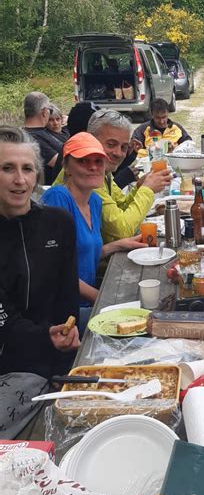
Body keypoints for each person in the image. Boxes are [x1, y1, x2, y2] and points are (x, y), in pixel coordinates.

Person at [0, 126, 80, 437]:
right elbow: (4, 320)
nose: (19, 180)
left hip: (52, 355)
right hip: (12, 363)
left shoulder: (57, 223)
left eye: (27, 169)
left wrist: (66, 357)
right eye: (7, 169)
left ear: (37, 175)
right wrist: (45, 339)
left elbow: (67, 296)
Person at [43, 133, 147, 333]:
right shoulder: (58, 199)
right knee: (139, 324)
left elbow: (80, 254)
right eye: (83, 161)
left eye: (98, 161)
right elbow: (55, 269)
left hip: (87, 302)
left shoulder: (94, 201)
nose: (93, 167)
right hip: (65, 312)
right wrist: (103, 299)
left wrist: (119, 245)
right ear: (67, 166)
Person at [55, 111, 172, 243]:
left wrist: (139, 186)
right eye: (111, 144)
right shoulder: (87, 176)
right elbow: (122, 230)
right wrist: (147, 190)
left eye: (123, 147)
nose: (118, 153)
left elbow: (121, 206)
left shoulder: (105, 172)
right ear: (90, 140)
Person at [23, 92, 62, 185]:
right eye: (50, 111)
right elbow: (61, 163)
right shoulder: (33, 137)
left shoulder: (27, 133)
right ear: (44, 112)